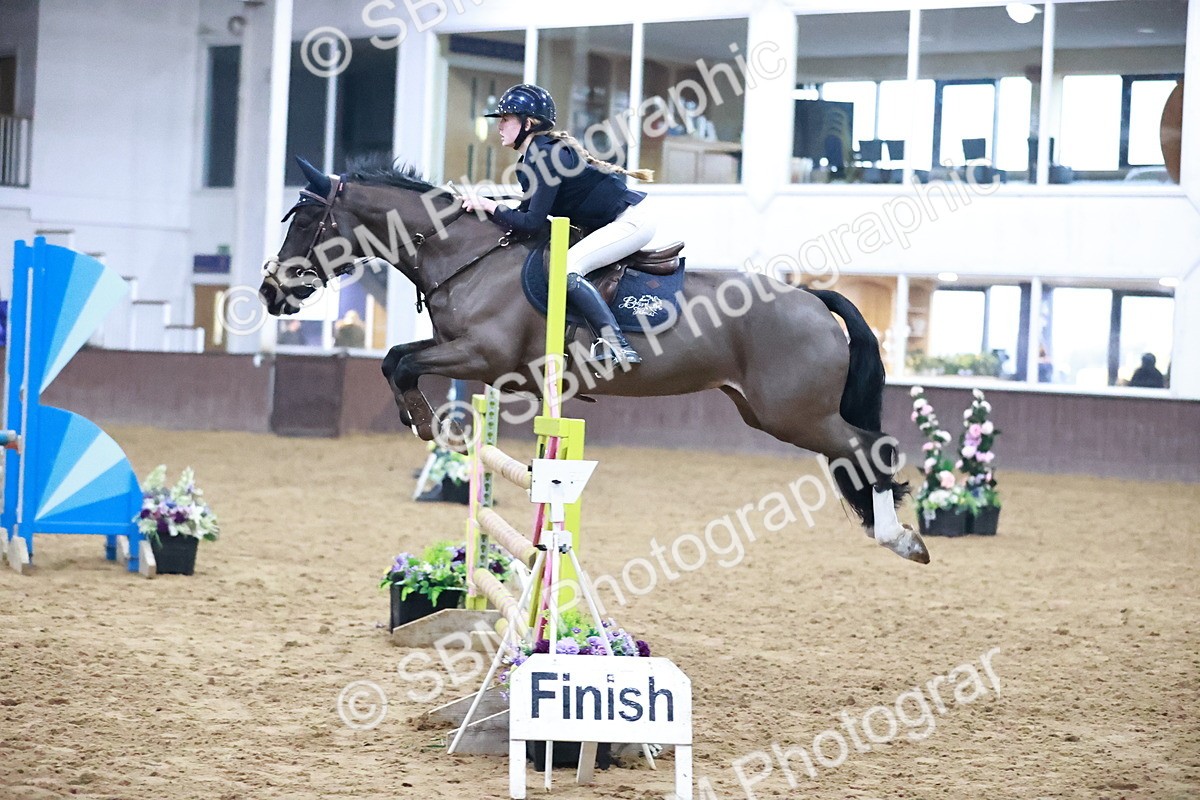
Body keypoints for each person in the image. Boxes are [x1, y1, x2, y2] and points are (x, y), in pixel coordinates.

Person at [461, 83, 656, 366]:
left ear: (528, 123)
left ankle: (616, 344)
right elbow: (522, 217)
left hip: (633, 220)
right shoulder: (529, 160)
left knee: (566, 269)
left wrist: (490, 206)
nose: (499, 126)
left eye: (506, 119)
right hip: (616, 219)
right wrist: (486, 207)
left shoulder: (545, 156)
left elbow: (530, 222)